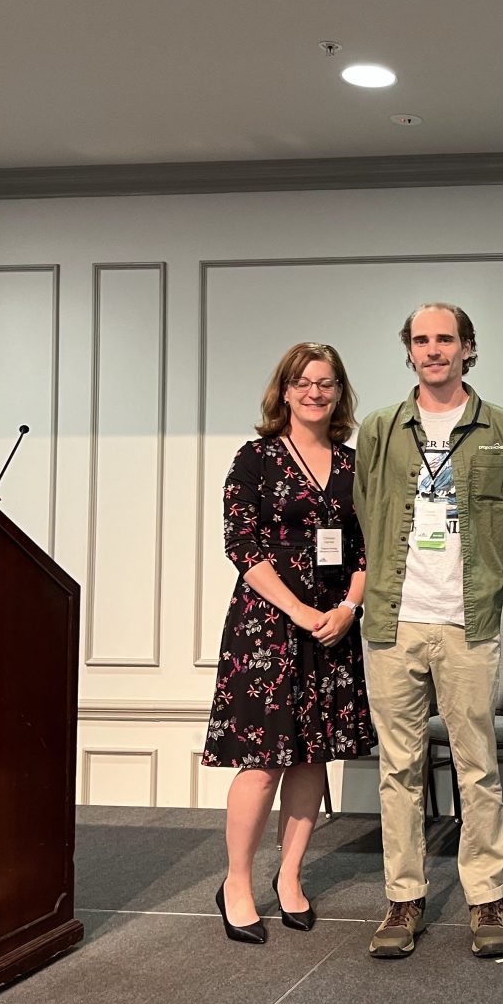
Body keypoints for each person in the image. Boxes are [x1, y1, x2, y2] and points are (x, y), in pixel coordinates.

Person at [353, 303, 503, 959]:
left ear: (467, 348)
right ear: (409, 350)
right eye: (422, 340)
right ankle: (404, 898)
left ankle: (486, 898)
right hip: (392, 622)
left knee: (476, 767)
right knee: (397, 770)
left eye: (446, 339)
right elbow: (365, 513)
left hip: (470, 622)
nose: (433, 350)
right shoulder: (379, 429)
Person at [203, 342, 376, 945]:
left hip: (333, 626)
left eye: (326, 383)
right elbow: (241, 545)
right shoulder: (255, 458)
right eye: (302, 382)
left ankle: (290, 876)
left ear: (340, 393)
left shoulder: (355, 465)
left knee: (311, 757)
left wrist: (348, 608)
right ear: (284, 391)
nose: (314, 393)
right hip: (267, 627)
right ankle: (236, 883)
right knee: (262, 763)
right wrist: (300, 610)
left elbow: (368, 548)